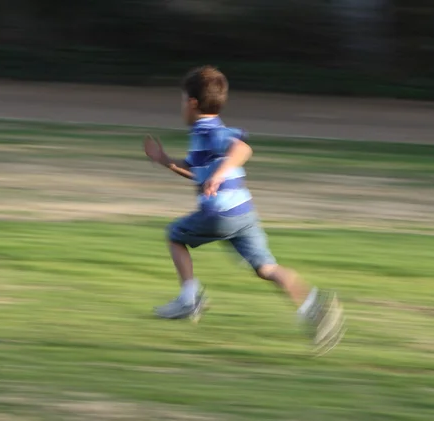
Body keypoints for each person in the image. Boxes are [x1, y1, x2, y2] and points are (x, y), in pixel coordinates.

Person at [143, 65, 345, 355]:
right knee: (267, 268)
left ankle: (189, 298)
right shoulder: (204, 136)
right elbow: (195, 171)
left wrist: (219, 174)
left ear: (192, 103)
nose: (181, 107)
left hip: (220, 214)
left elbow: (242, 149)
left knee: (175, 236)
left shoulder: (209, 130)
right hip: (243, 214)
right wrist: (165, 160)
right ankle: (316, 307)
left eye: (181, 101)